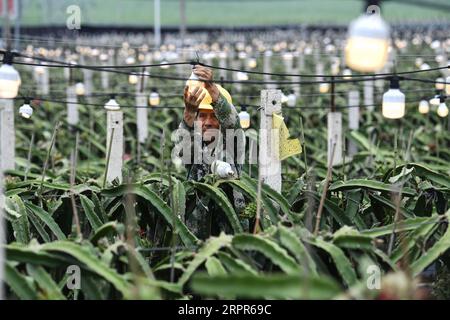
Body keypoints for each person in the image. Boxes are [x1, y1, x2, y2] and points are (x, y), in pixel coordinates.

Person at [174, 65, 248, 239]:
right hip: (195, 235)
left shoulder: (233, 143)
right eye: (202, 116)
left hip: (231, 237)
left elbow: (233, 124)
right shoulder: (195, 147)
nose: (207, 122)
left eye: (213, 116)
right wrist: (189, 113)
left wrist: (212, 90)